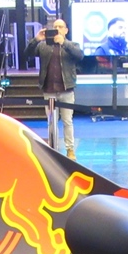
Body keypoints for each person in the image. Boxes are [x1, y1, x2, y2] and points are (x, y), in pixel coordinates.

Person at [24, 19, 83, 160]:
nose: (57, 29)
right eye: (55, 26)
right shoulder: (43, 46)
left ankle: (70, 149)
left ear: (66, 30)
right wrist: (36, 39)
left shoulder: (72, 45)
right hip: (49, 90)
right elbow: (26, 54)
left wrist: (64, 43)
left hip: (66, 90)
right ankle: (53, 149)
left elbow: (80, 56)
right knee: (51, 122)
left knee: (67, 121)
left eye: (60, 27)